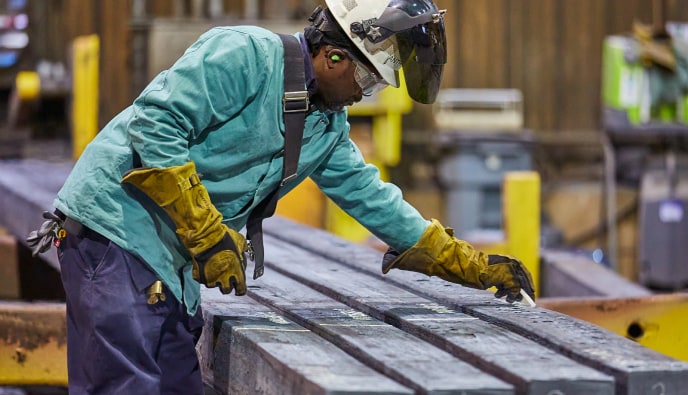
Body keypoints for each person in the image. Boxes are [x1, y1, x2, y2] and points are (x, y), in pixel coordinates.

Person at [27, 0, 535, 393]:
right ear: (334, 55)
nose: (364, 94)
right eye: (367, 80)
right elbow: (156, 123)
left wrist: (464, 264)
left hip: (172, 266)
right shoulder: (246, 55)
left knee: (178, 384)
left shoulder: (324, 127)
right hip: (115, 235)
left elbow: (370, 196)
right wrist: (206, 233)